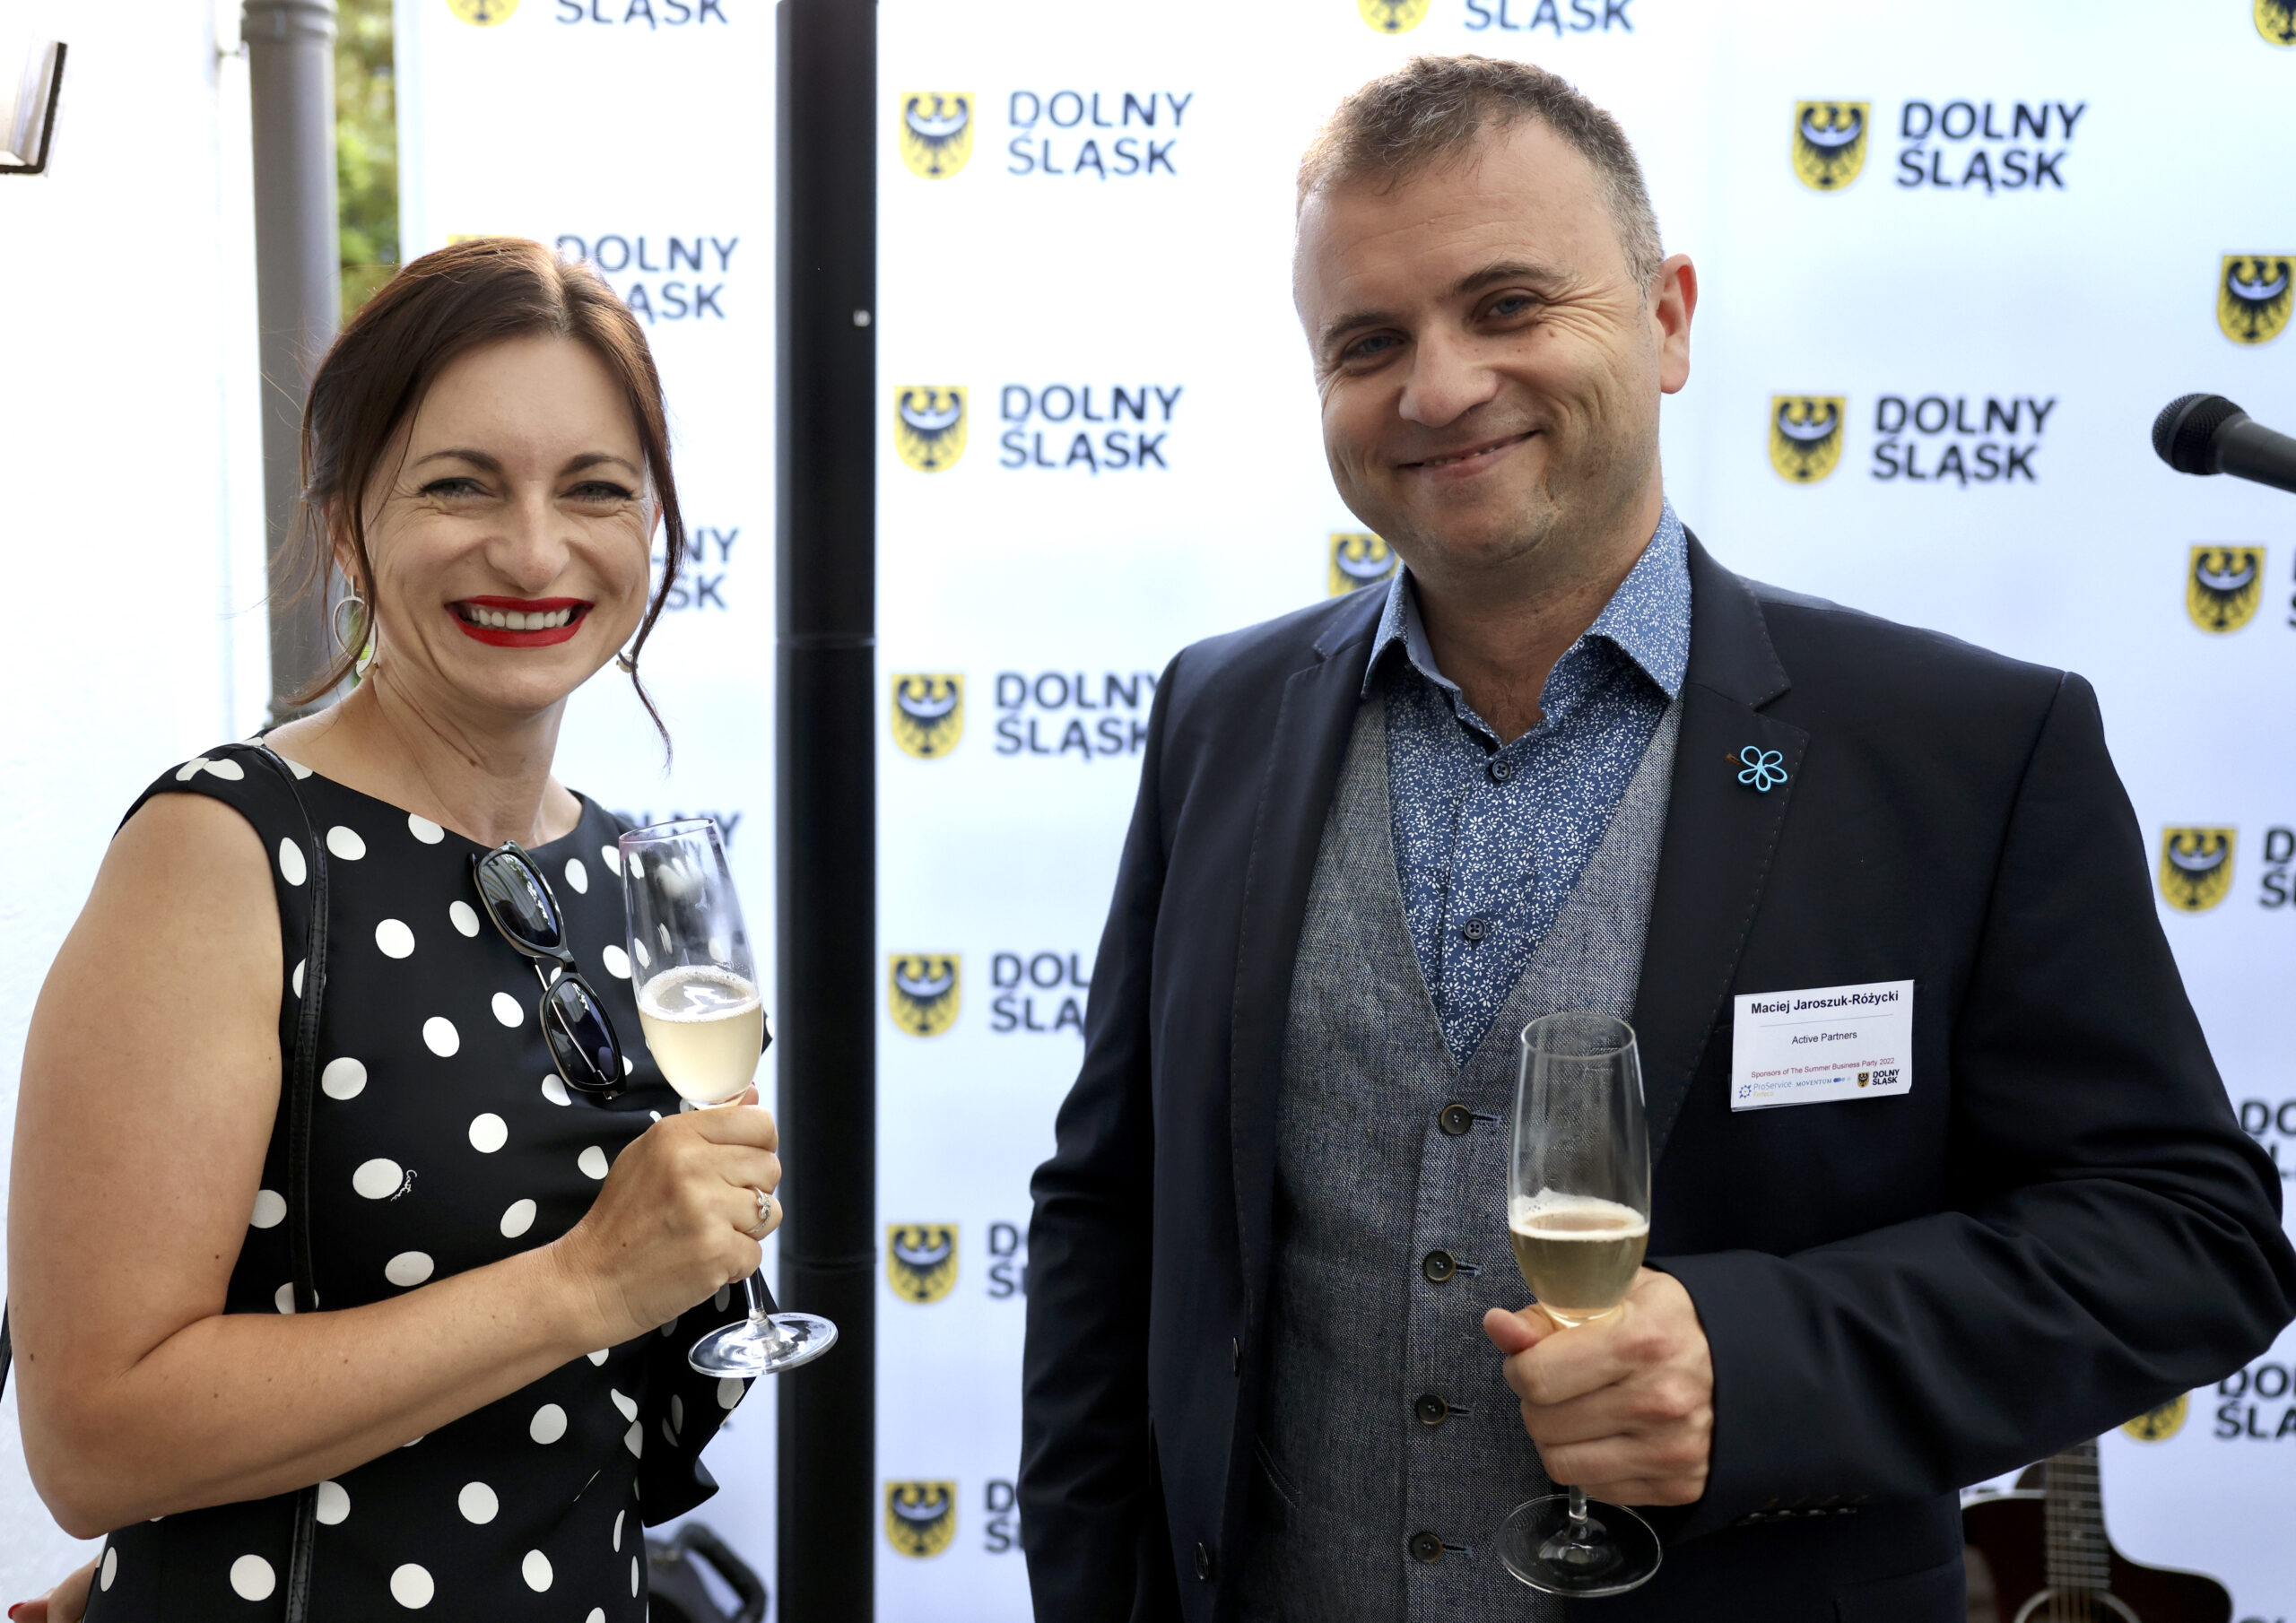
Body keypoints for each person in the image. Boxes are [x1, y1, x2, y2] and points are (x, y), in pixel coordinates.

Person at [1018, 55, 2296, 1622]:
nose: (1438, 388)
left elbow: (2189, 1238)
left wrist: (1753, 1367)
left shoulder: (1968, 747)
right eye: (1368, 342)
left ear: (1669, 319)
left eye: (1507, 305)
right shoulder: (1217, 716)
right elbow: (1111, 1215)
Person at [7, 238, 781, 1620]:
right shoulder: (226, 849)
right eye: (459, 485)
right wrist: (585, 1281)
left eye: (595, 488)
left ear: (652, 527)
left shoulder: (619, 868)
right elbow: (91, 1435)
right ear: (347, 521)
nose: (533, 549)